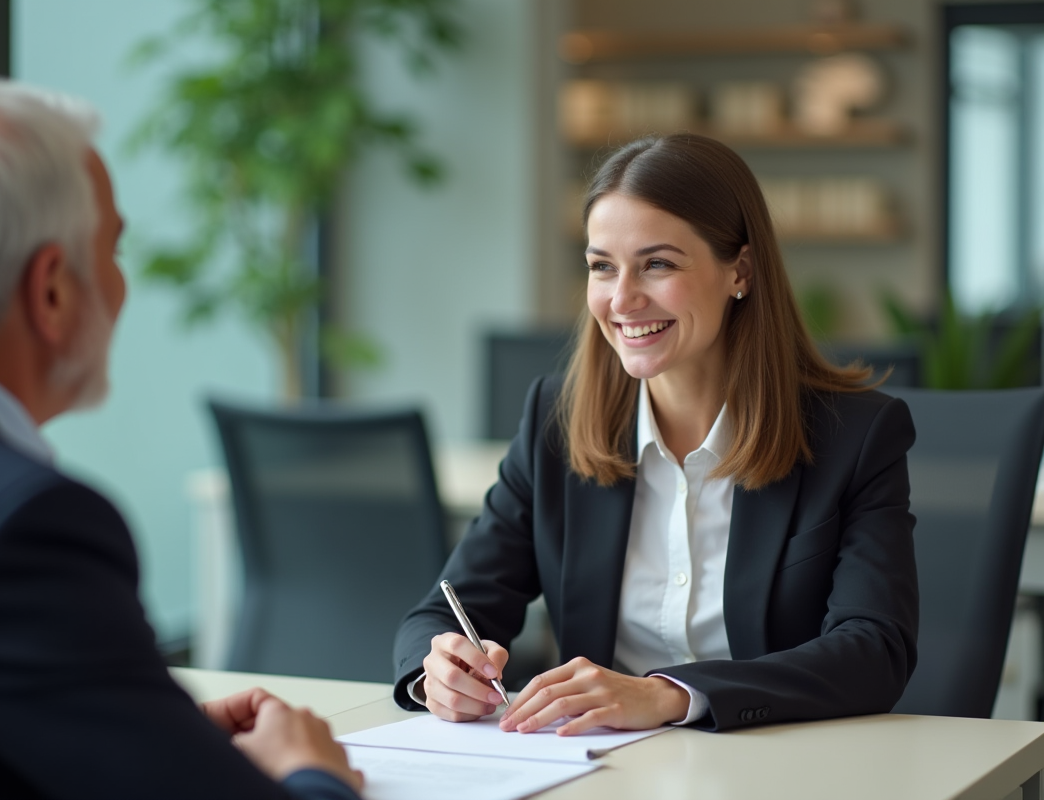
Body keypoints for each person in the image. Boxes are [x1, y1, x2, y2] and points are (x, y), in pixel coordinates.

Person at [0, 80, 362, 799]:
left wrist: (150, 729)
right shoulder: (19, 527)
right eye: (113, 250)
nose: (121, 285)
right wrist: (311, 772)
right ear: (52, 290)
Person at [393, 133, 918, 734]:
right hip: (594, 769)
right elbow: (446, 609)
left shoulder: (855, 436)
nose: (622, 299)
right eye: (601, 267)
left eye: (658, 264)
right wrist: (437, 670)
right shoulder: (556, 421)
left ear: (740, 270)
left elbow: (875, 651)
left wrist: (672, 694)